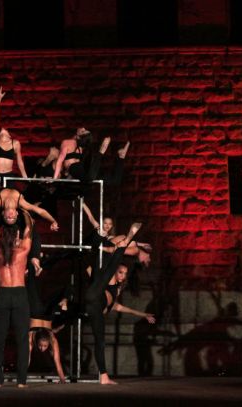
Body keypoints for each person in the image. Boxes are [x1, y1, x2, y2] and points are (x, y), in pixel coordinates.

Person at [84, 222, 156, 385]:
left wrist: (143, 314)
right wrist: (135, 244)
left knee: (100, 341)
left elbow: (120, 307)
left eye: (125, 274)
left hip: (94, 307)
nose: (122, 276)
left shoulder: (117, 289)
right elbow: (111, 263)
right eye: (121, 273)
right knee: (110, 265)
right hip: (95, 293)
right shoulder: (111, 280)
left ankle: (104, 376)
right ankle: (127, 237)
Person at [0, 209, 33, 387]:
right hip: (19, 294)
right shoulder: (22, 251)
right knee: (22, 339)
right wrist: (23, 210)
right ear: (16, 237)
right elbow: (29, 227)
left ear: (0, 238)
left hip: (4, 294)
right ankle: (21, 381)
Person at [26, 261, 70, 384]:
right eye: (43, 346)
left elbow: (57, 362)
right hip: (47, 315)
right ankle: (65, 298)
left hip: (35, 313)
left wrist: (62, 380)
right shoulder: (50, 338)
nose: (42, 348)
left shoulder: (33, 336)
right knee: (65, 290)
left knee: (31, 287)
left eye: (43, 346)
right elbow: (27, 358)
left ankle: (32, 263)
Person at [0, 86, 28, 199]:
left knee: (9, 201)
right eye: (0, 130)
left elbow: (19, 161)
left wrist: (24, 176)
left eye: (4, 129)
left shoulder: (15, 143)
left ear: (9, 134)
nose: (2, 129)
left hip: (9, 175)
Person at [52, 128, 130, 186]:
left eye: (83, 131)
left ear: (78, 136)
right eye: (83, 130)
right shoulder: (77, 146)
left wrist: (55, 179)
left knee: (91, 178)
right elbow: (62, 161)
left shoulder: (68, 143)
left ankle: (101, 153)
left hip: (78, 168)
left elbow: (60, 160)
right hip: (82, 169)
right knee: (114, 180)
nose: (83, 128)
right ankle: (121, 158)